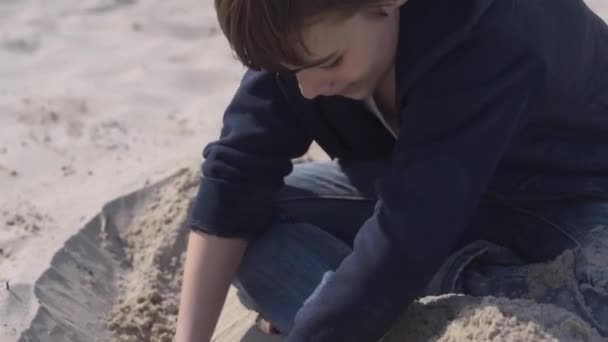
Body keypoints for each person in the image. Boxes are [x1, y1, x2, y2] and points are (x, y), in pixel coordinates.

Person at [174, 0, 608, 341]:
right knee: (254, 231)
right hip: (432, 203)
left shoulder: (496, 31)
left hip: (573, 198)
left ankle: (394, 309)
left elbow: (407, 235)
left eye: (329, 64)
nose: (307, 90)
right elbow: (235, 177)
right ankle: (415, 309)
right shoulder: (299, 27)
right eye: (289, 71)